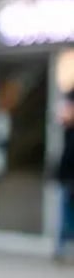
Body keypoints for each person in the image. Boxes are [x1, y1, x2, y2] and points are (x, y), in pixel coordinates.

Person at [56, 88, 74, 262]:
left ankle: (63, 248)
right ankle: (61, 249)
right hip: (67, 179)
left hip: (70, 180)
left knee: (68, 217)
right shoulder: (67, 131)